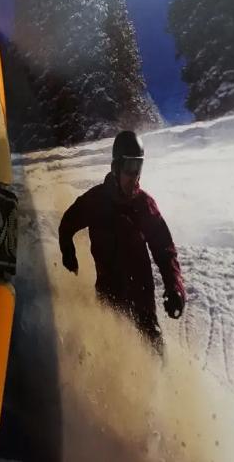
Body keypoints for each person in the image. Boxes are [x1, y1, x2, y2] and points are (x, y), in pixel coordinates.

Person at [58, 130, 185, 354]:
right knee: (110, 352)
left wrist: (174, 287)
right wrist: (68, 252)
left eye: (139, 167)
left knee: (154, 350)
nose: (134, 176)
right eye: (129, 167)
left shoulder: (144, 205)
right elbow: (67, 223)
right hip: (109, 296)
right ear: (115, 167)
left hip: (141, 298)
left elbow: (164, 249)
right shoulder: (96, 201)